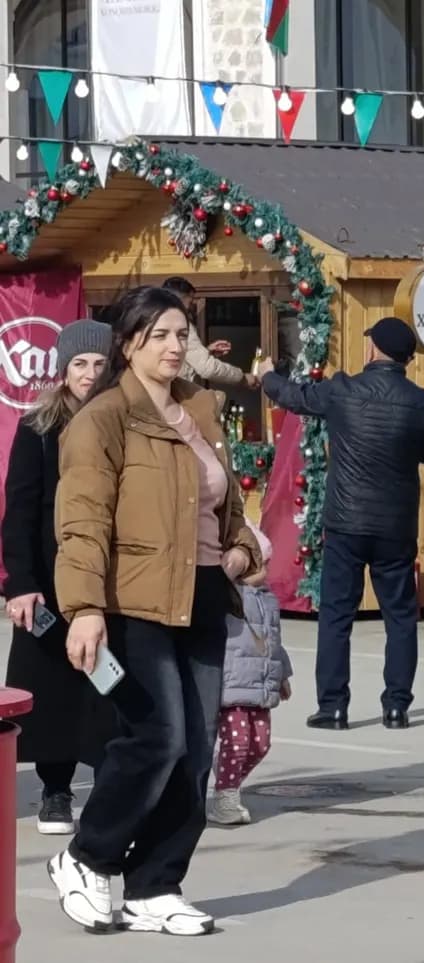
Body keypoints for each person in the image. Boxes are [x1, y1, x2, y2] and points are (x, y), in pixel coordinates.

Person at [48, 285, 263, 936]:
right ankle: (87, 855)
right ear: (129, 341)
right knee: (157, 735)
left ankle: (154, 882)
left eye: (182, 334)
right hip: (132, 601)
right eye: (162, 334)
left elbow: (228, 511)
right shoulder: (104, 418)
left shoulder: (199, 407)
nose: (176, 346)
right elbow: (81, 520)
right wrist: (83, 607)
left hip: (201, 593)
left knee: (196, 752)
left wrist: (241, 552)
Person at [257, 316, 424, 730]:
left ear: (373, 349)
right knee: (400, 618)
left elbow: (294, 397)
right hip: (396, 527)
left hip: (346, 523)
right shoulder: (421, 402)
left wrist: (266, 376)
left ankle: (333, 707)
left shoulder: (343, 391)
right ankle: (397, 707)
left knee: (336, 616)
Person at [2, 320, 117, 835]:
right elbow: (19, 511)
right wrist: (20, 582)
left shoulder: (126, 421)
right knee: (52, 685)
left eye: (98, 364)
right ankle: (54, 789)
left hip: (111, 578)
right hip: (48, 582)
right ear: (63, 369)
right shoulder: (38, 429)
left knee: (110, 683)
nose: (89, 374)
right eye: (79, 364)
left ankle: (115, 787)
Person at [208, 518, 291, 826]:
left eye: (265, 563)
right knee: (239, 742)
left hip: (260, 683)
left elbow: (273, 640)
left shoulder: (267, 599)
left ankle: (227, 776)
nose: (263, 570)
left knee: (261, 743)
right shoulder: (229, 596)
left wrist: (282, 674)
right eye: (258, 563)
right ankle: (225, 796)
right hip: (232, 684)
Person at [160, 277, 258, 389]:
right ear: (178, 300)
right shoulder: (180, 323)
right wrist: (242, 378)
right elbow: (207, 368)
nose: (192, 307)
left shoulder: (154, 322)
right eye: (190, 302)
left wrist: (206, 352)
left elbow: (178, 365)